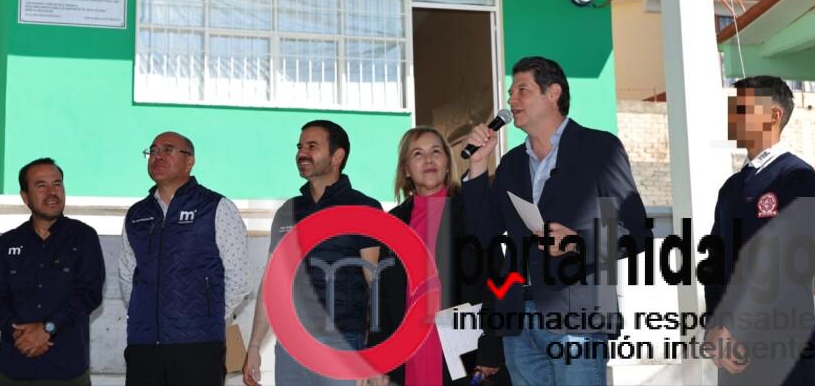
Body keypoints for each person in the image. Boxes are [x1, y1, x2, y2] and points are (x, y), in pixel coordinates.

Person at [461, 56, 650, 386]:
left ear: (553, 93)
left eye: (522, 90)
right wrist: (477, 166)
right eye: (510, 92)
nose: (511, 100)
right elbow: (483, 232)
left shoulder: (599, 148)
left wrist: (577, 242)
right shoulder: (511, 163)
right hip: (518, 322)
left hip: (577, 318)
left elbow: (635, 231)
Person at [703, 76, 815, 386]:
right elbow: (715, 264)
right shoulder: (730, 188)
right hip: (731, 353)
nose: (732, 117)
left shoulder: (797, 177)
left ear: (774, 115)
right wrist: (715, 328)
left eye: (742, 109)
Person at [243, 120, 383, 386]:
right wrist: (254, 346)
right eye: (300, 147)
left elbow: (376, 284)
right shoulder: (288, 211)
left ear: (337, 157)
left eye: (312, 146)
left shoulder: (364, 208)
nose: (302, 153)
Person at [368, 126, 505, 385]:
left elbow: (496, 279)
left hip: (463, 347)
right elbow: (382, 297)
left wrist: (490, 348)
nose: (428, 160)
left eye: (436, 152)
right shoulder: (393, 222)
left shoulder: (470, 209)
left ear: (447, 163)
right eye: (417, 154)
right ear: (406, 169)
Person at [119, 131, 250, 386]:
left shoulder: (216, 207)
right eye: (153, 151)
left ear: (190, 161)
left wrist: (205, 317)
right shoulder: (136, 214)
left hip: (198, 348)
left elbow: (239, 279)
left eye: (167, 150)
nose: (157, 156)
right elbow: (127, 276)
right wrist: (144, 315)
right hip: (143, 346)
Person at [0, 158, 105, 386]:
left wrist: (48, 329)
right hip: (15, 367)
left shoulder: (84, 237)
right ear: (25, 197)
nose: (52, 192)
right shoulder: (7, 243)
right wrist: (21, 335)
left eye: (57, 184)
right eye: (41, 185)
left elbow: (88, 294)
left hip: (67, 369)